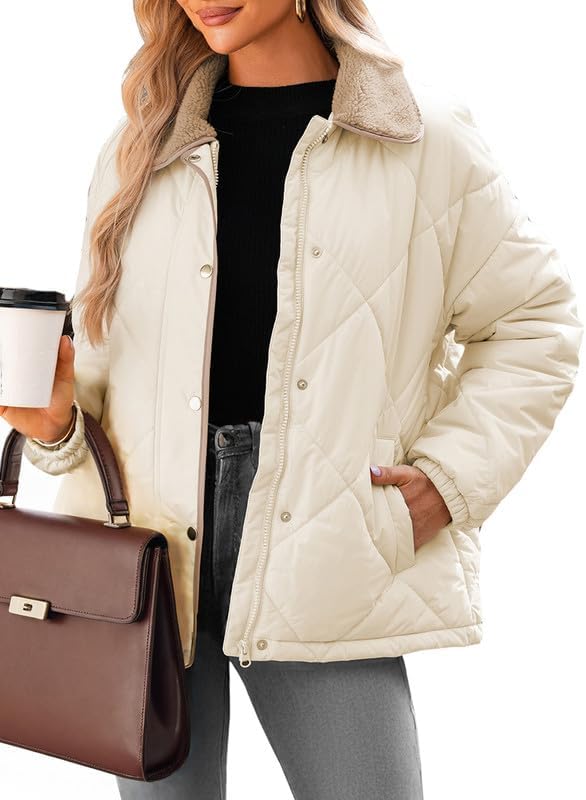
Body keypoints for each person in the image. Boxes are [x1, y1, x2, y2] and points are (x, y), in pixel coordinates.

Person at [2, 1, 582, 797]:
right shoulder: (143, 144)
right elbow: (104, 377)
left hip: (327, 535)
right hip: (147, 554)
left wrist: (447, 482)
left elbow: (536, 324)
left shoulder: (424, 138)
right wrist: (55, 426)